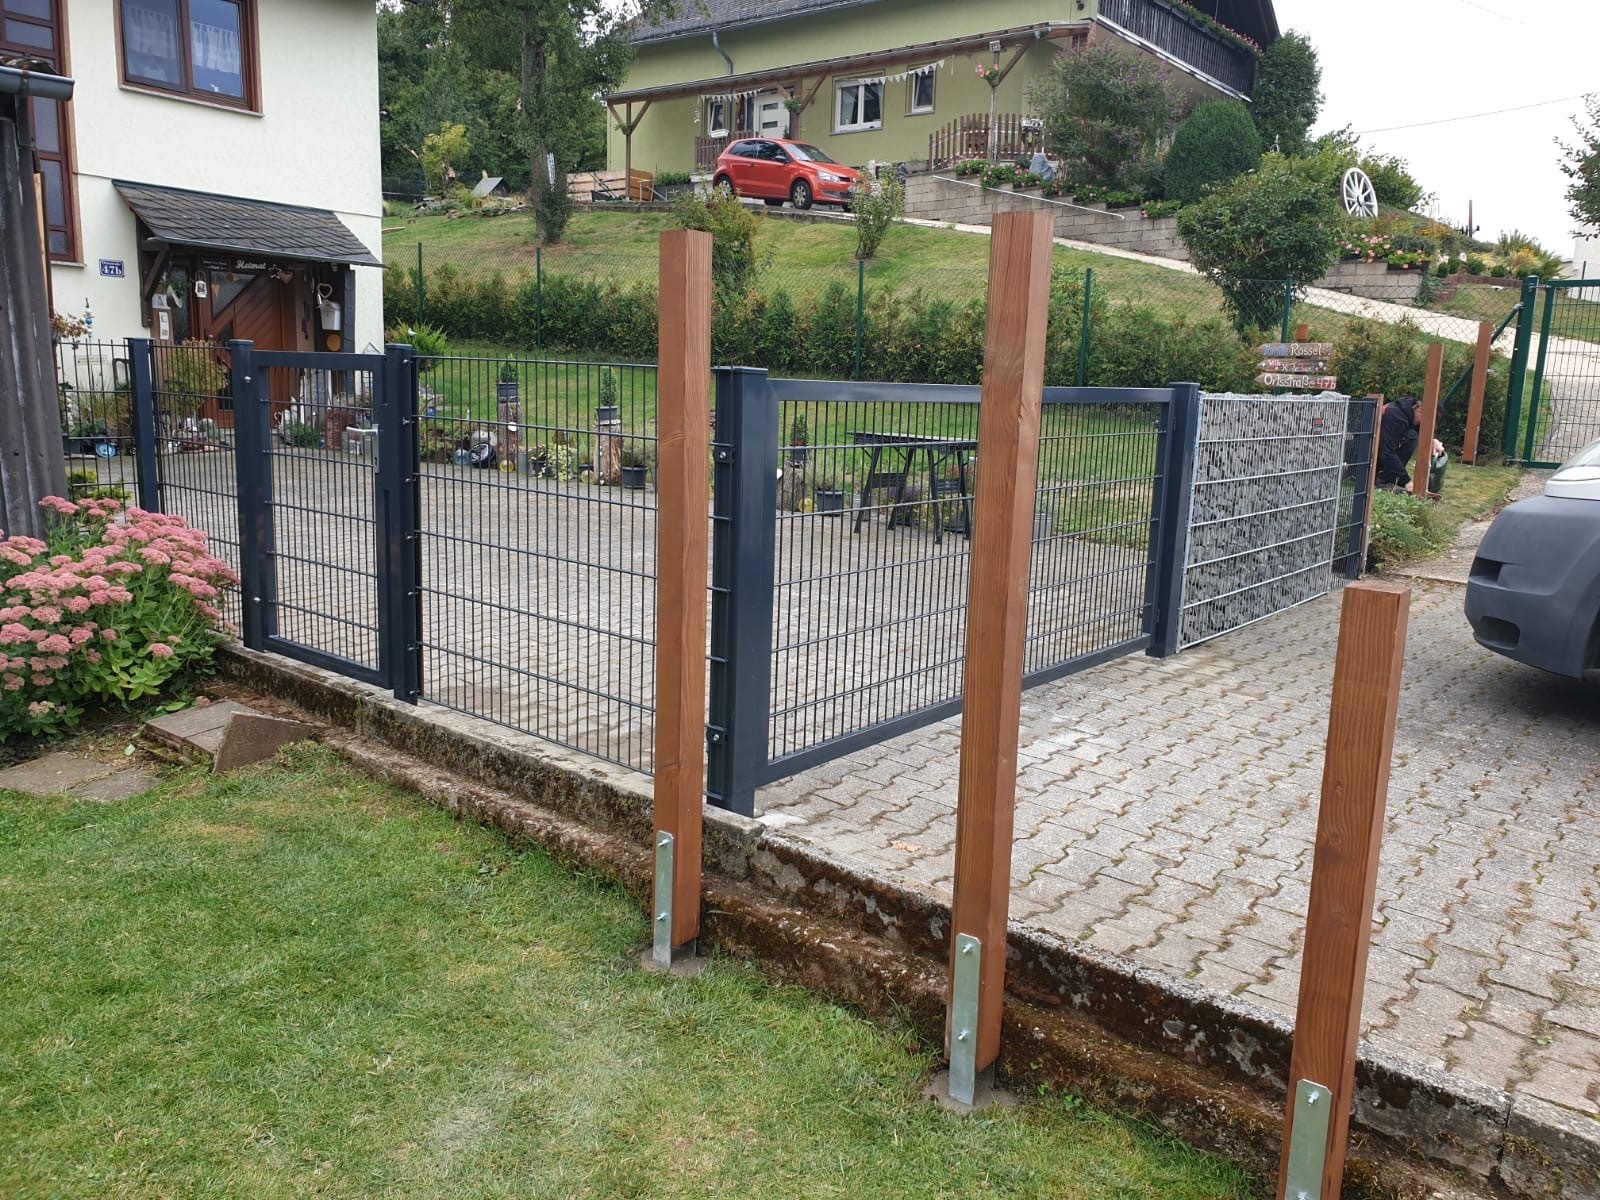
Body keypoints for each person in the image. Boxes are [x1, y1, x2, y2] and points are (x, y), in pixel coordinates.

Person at [1376, 396, 1444, 491]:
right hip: (1366, 459)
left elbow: (1422, 430)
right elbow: (1387, 453)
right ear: (1421, 410)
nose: (1422, 425)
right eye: (1428, 420)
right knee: (1412, 437)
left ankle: (1390, 478)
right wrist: (1406, 482)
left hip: (1377, 454)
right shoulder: (1396, 416)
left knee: (1411, 436)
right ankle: (1385, 481)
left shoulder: (1409, 411)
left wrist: (1433, 440)